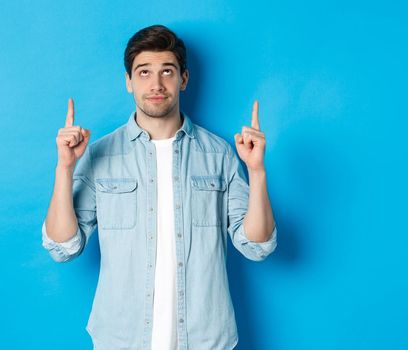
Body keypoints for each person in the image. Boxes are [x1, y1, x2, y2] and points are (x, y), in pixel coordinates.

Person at [41, 24, 278, 349]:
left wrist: (257, 172)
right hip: (121, 339)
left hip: (205, 340)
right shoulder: (101, 155)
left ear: (183, 78)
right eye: (143, 72)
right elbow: (63, 247)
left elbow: (256, 246)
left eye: (167, 71)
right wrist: (65, 168)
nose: (155, 84)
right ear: (128, 81)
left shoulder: (219, 154)